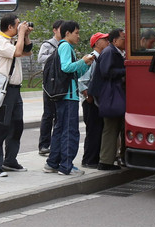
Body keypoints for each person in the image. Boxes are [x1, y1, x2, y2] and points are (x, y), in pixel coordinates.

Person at [43, 21, 94, 176]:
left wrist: (85, 64)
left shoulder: (65, 47)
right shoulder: (65, 46)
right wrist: (82, 61)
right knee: (69, 131)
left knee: (59, 129)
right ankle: (66, 166)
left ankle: (53, 163)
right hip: (68, 96)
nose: (78, 36)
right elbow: (66, 68)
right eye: (76, 33)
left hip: (64, 95)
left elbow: (73, 73)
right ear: (67, 33)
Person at [0, 13, 33, 177]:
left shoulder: (12, 41)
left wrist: (25, 35)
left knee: (16, 126)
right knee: (0, 127)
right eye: (18, 25)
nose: (21, 26)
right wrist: (21, 35)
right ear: (10, 27)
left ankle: (10, 161)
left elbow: (27, 51)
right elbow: (18, 53)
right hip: (3, 89)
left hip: (15, 89)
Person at [93, 28, 127, 171]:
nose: (125, 41)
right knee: (111, 128)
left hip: (114, 94)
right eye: (123, 39)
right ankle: (106, 161)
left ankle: (114, 158)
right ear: (115, 41)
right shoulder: (109, 52)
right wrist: (126, 70)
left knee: (116, 127)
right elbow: (106, 71)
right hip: (110, 95)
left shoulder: (115, 52)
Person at [79, 32, 109, 168]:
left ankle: (94, 158)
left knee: (98, 129)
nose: (107, 42)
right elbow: (82, 81)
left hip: (97, 100)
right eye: (104, 40)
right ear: (96, 43)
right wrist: (88, 96)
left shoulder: (101, 58)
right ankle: (89, 160)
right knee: (93, 130)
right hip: (90, 101)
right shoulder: (90, 58)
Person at [36, 19, 63, 156]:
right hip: (49, 85)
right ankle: (44, 145)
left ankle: (55, 144)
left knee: (59, 116)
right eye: (60, 29)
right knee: (48, 115)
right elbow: (40, 58)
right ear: (54, 30)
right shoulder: (48, 44)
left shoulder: (65, 44)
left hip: (61, 85)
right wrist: (56, 55)